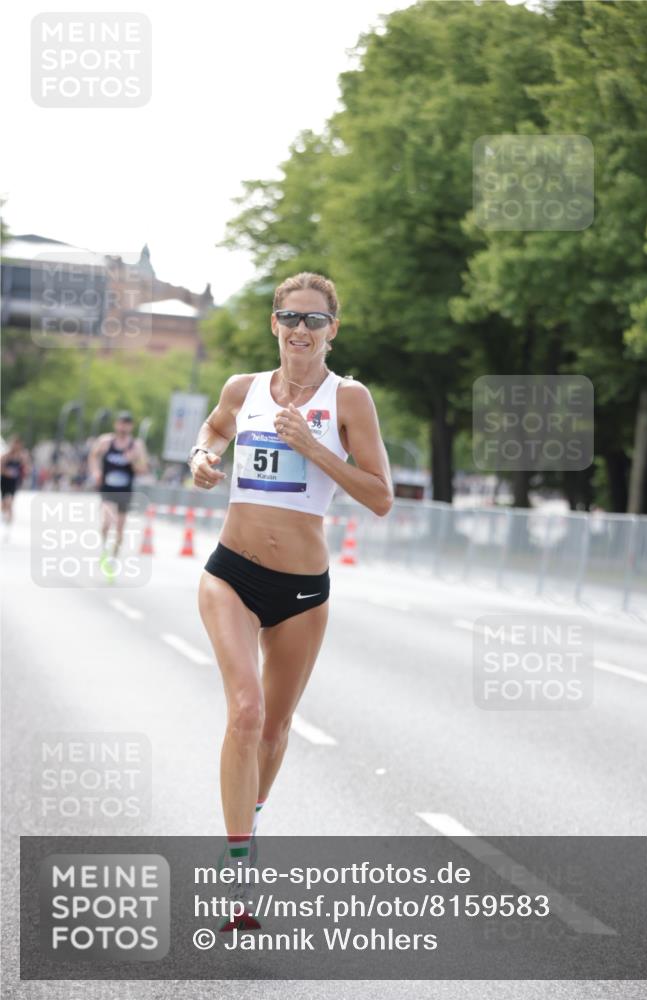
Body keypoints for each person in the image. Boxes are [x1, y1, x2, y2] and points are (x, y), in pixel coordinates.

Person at [189, 272, 393, 932]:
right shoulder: (243, 389)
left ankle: (247, 822)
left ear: (333, 329)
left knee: (275, 729)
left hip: (302, 591)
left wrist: (313, 447)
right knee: (245, 711)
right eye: (288, 317)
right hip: (231, 573)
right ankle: (237, 870)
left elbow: (380, 495)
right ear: (273, 325)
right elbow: (216, 426)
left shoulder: (348, 400)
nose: (299, 329)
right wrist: (202, 454)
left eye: (312, 319)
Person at [88, 411, 148, 571]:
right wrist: (95, 472)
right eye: (121, 423)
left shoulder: (136, 445)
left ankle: (113, 558)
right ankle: (104, 549)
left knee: (120, 527)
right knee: (106, 523)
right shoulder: (106, 441)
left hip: (125, 490)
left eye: (127, 424)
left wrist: (133, 460)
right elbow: (93, 456)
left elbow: (143, 469)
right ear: (116, 424)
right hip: (107, 488)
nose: (123, 427)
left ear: (131, 426)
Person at [1, 436, 32, 540]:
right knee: (4, 503)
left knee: (10, 503)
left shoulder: (21, 457)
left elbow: (26, 468)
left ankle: (8, 526)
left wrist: (25, 473)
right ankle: (5, 514)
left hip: (14, 483)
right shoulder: (6, 456)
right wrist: (7, 472)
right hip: (5, 481)